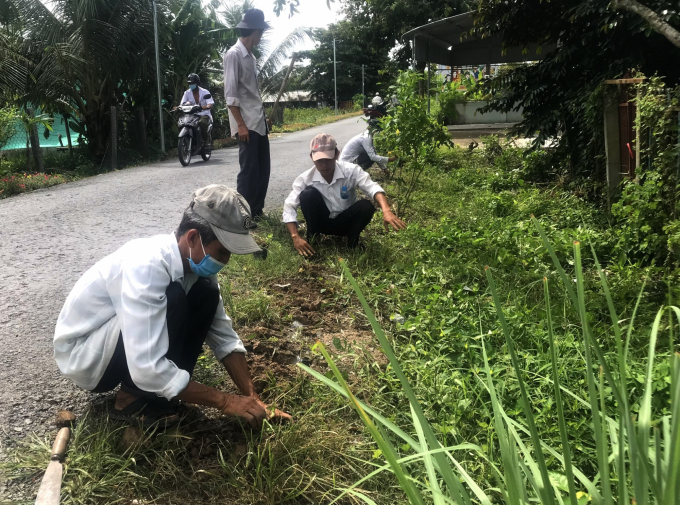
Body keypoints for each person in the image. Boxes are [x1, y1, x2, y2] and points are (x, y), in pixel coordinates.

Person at [53, 185, 291, 428]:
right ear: (192, 238)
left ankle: (159, 395)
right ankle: (129, 399)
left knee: (205, 294)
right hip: (85, 356)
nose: (225, 261)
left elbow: (223, 336)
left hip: (118, 342)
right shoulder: (147, 265)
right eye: (222, 251)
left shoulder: (196, 268)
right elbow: (146, 367)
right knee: (174, 297)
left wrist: (253, 400)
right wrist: (226, 402)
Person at [282, 133, 406, 257]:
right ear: (312, 157)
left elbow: (372, 187)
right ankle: (314, 238)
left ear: (337, 154)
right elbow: (289, 206)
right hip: (320, 222)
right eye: (319, 160)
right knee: (308, 194)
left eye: (328, 159)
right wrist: (295, 237)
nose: (324, 165)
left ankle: (351, 240)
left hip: (345, 221)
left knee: (366, 206)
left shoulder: (351, 170)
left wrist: (387, 210)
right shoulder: (305, 178)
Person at [224, 8, 271, 218]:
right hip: (247, 124)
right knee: (249, 172)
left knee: (263, 170)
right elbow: (231, 95)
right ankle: (242, 215)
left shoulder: (250, 57)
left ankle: (257, 213)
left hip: (258, 121)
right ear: (256, 32)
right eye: (261, 32)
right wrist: (240, 125)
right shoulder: (234, 54)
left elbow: (250, 93)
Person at [177, 73, 214, 147]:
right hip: (191, 114)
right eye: (189, 83)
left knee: (202, 123)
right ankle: (186, 140)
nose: (191, 85)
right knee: (181, 123)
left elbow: (210, 103)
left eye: (192, 83)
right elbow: (182, 104)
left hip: (203, 114)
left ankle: (205, 141)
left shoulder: (205, 92)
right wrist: (178, 107)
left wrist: (206, 106)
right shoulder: (187, 93)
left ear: (197, 83)